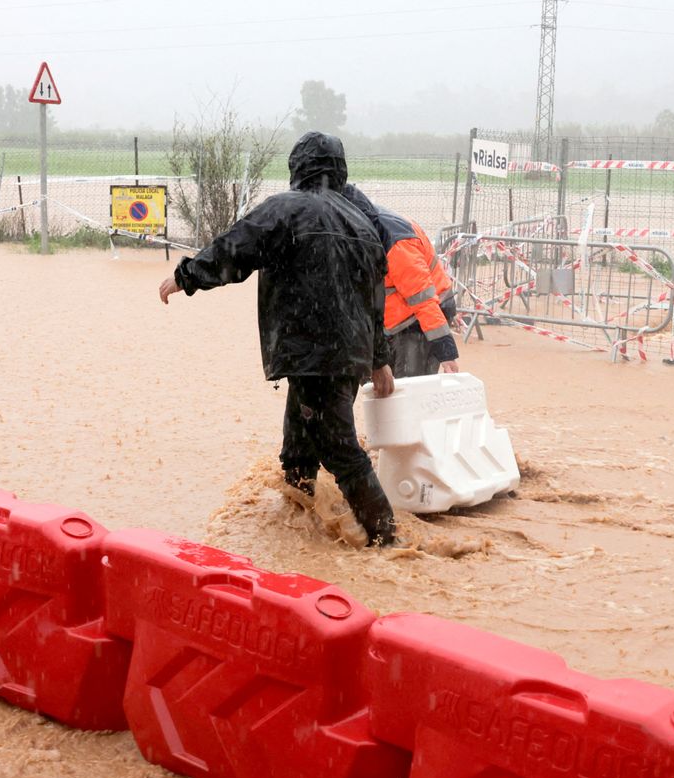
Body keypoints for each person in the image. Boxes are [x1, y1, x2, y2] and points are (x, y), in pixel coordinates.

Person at [157, 131, 397, 547]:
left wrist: (186, 277)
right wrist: (379, 358)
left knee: (338, 448)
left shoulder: (285, 210)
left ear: (297, 168)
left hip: (311, 350)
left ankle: (388, 541)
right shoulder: (364, 223)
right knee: (300, 440)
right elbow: (375, 298)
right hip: (346, 356)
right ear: (339, 170)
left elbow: (234, 250)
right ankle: (300, 524)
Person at [368, 204, 460, 379]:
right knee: (390, 390)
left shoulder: (396, 244)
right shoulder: (367, 228)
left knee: (410, 388)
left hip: (418, 322)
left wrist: (445, 352)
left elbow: (423, 301)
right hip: (395, 322)